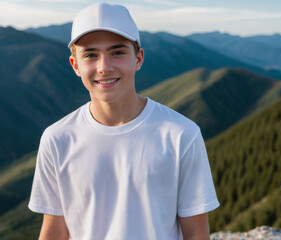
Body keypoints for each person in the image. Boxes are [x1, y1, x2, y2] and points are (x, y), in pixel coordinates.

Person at [28, 2, 219, 239]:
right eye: (91, 55)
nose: (104, 67)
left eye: (117, 52)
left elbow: (196, 233)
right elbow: (55, 231)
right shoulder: (57, 139)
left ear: (138, 58)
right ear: (75, 65)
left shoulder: (182, 135)